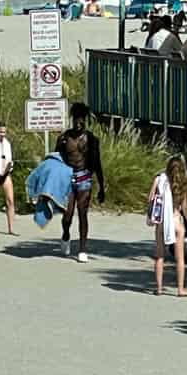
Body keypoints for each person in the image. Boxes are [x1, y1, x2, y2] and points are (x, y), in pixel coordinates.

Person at [56, 103, 105, 261]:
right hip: (68, 178)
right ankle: (65, 234)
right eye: (76, 119)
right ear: (72, 119)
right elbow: (56, 160)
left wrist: (102, 187)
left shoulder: (91, 139)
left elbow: (97, 163)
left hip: (85, 178)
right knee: (68, 215)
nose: (79, 123)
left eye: (81, 120)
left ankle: (83, 249)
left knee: (83, 213)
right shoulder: (64, 138)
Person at [148, 156, 187, 297]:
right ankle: (180, 289)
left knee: (160, 256)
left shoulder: (159, 180)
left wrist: (150, 215)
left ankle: (159, 288)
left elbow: (150, 199)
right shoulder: (182, 184)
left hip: (162, 221)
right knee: (180, 259)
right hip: (176, 221)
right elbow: (185, 207)